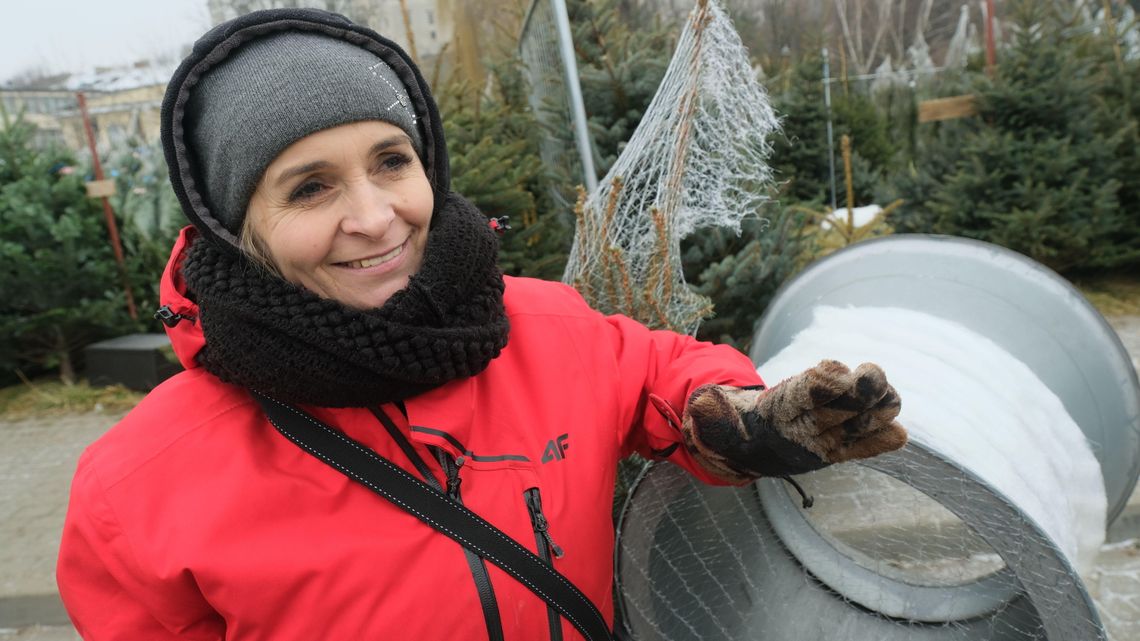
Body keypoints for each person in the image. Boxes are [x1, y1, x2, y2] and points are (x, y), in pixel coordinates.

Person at [56, 8, 907, 641]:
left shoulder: (543, 329)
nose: (377, 215)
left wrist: (747, 419)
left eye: (393, 161)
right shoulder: (136, 494)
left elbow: (655, 374)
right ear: (236, 230)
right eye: (309, 187)